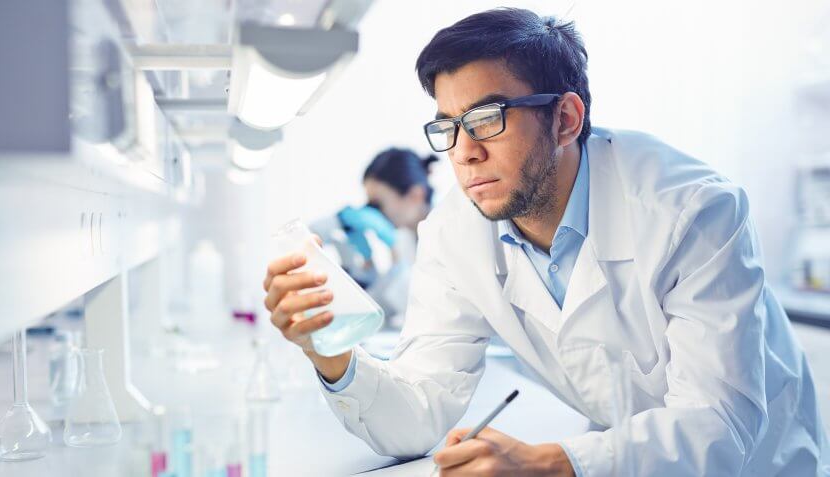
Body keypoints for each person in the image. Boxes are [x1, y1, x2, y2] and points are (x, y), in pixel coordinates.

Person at [263, 8, 829, 476]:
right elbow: (419, 412)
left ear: (565, 119)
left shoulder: (693, 211)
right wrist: (331, 353)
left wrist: (552, 463)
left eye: (486, 119)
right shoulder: (456, 234)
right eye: (449, 126)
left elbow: (717, 426)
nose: (464, 151)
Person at [310, 148, 437, 326]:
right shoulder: (407, 237)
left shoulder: (448, 236)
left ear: (416, 195)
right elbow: (380, 307)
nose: (371, 213)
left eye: (376, 204)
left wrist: (396, 256)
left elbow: (431, 312)